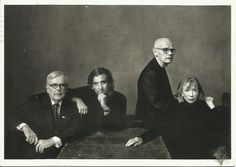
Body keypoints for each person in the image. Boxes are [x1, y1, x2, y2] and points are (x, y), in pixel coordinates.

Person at [126, 76, 229, 159]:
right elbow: (160, 126)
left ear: (198, 92)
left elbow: (220, 127)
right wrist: (141, 138)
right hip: (181, 155)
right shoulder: (175, 108)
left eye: (195, 90)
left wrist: (211, 106)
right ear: (182, 93)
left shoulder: (204, 106)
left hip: (202, 155)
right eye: (187, 90)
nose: (191, 94)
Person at [6, 71, 82, 159]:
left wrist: (53, 141)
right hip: (37, 155)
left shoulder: (72, 105)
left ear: (66, 88)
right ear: (47, 88)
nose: (58, 89)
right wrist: (24, 127)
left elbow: (75, 129)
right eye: (54, 85)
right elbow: (11, 116)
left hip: (63, 155)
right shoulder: (34, 101)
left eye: (62, 85)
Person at [68, 67, 127, 134]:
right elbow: (65, 93)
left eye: (103, 82)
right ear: (92, 86)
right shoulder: (86, 92)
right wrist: (77, 100)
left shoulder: (119, 98)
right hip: (87, 137)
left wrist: (104, 106)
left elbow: (120, 126)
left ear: (109, 83)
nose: (100, 87)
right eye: (96, 84)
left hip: (111, 137)